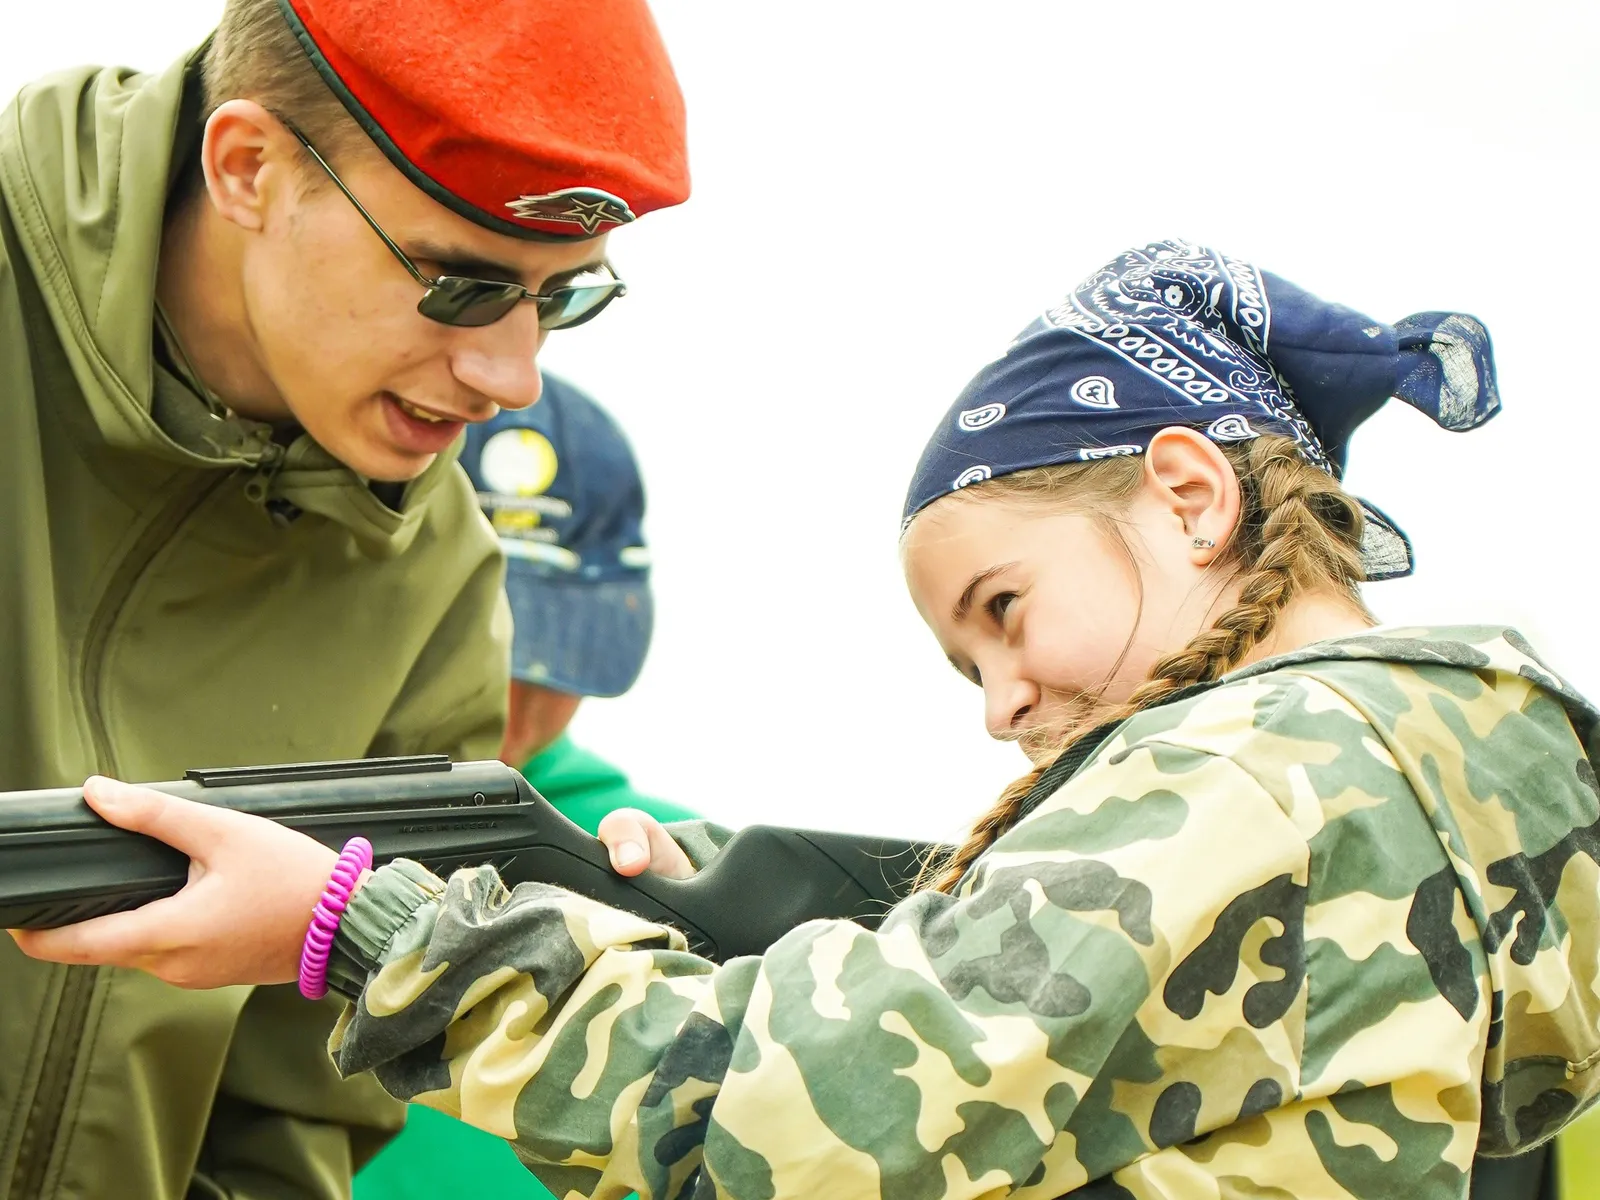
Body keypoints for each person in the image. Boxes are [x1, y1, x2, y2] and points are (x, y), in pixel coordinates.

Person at [17, 240, 1600, 1198]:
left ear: (1188, 493)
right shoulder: (1471, 765)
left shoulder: (1252, 785)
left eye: (1001, 611)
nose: (1004, 707)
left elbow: (780, 1124)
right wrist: (710, 912)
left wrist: (357, 933)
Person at [0, 0, 687, 1193]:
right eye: (463, 285)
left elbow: (291, 1118)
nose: (513, 376)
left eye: (564, 295)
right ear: (247, 167)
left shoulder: (437, 577)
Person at [354, 373, 700, 1200]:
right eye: (466, 637)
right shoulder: (239, 836)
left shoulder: (684, 873)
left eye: (549, 650)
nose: (503, 691)